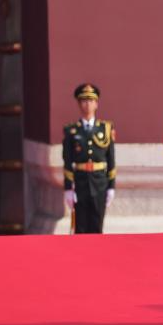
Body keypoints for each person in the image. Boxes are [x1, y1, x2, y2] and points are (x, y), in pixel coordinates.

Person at [63, 83, 116, 234]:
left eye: (91, 100)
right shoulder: (72, 131)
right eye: (84, 101)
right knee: (80, 227)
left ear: (96, 104)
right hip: (80, 184)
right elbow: (67, 161)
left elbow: (111, 159)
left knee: (97, 225)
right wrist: (68, 188)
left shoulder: (106, 128)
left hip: (100, 183)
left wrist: (111, 186)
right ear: (79, 104)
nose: (87, 104)